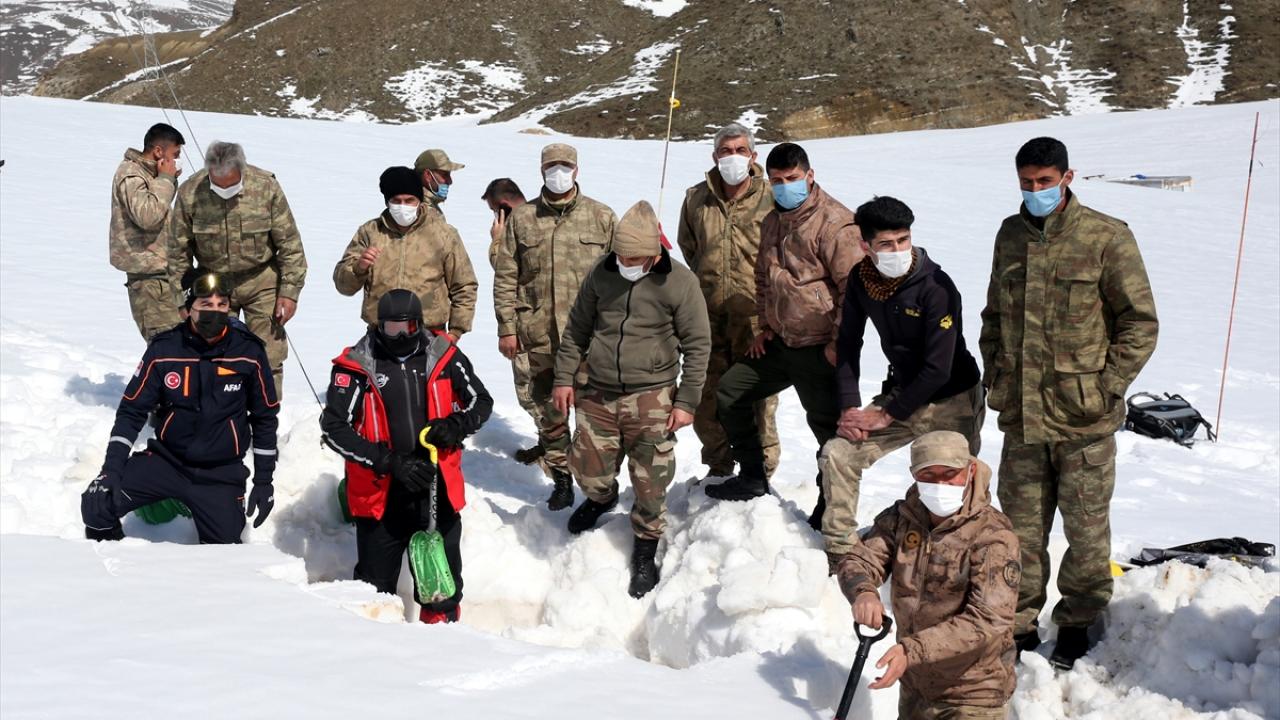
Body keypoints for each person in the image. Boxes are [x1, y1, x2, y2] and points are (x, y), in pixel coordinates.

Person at [980, 136, 1158, 668]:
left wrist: (1107, 386)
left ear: (1067, 176)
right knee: (1020, 531)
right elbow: (994, 316)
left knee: (1085, 529)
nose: (1035, 191)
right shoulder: (1010, 235)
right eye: (1026, 182)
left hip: (1084, 417)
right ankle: (1018, 621)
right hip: (1023, 416)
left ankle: (1079, 619)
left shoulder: (1107, 237)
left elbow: (1139, 323)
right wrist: (997, 376)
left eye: (1044, 181)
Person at [551, 201, 710, 598]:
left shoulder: (680, 283)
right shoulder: (602, 274)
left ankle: (644, 545)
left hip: (652, 394)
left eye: (634, 257)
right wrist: (564, 378)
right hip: (598, 389)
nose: (625, 262)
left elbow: (698, 345)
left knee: (651, 479)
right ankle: (601, 497)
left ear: (655, 253)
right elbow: (576, 331)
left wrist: (686, 401)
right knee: (587, 466)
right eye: (620, 255)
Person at [819, 196, 984, 570]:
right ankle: (841, 551)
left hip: (951, 399)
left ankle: (967, 557)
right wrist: (850, 407)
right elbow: (848, 344)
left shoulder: (937, 287)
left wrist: (886, 414)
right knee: (839, 453)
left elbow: (938, 369)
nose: (897, 251)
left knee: (958, 481)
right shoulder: (863, 280)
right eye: (886, 244)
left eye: (903, 240)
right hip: (901, 392)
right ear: (865, 245)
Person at [704, 142, 862, 528]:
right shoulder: (774, 219)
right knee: (730, 391)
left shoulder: (836, 224)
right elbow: (763, 278)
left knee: (827, 430)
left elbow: (854, 292)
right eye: (777, 181)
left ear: (809, 176)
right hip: (780, 342)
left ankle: (831, 505)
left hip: (819, 347)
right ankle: (753, 475)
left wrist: (838, 344)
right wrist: (765, 326)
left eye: (792, 179)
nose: (785, 187)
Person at [320, 289, 493, 624]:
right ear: (378, 326)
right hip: (380, 490)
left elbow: (480, 401)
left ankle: (441, 632)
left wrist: (456, 425)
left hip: (434, 486)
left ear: (419, 324)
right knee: (373, 588)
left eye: (407, 328)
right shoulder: (357, 366)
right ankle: (380, 652)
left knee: (441, 582)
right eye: (391, 329)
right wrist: (387, 461)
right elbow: (334, 428)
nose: (399, 336)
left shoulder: (443, 355)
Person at [81, 271, 279, 543]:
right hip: (167, 461)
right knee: (97, 504)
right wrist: (111, 469)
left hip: (219, 472)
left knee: (224, 550)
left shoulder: (248, 352)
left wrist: (264, 481)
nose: (216, 312)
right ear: (188, 310)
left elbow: (265, 417)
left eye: (222, 305)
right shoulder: (165, 350)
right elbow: (132, 410)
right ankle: (115, 567)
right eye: (206, 305)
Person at [837, 431, 1019, 720]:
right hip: (916, 684)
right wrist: (864, 591)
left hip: (972, 694)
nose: (940, 484)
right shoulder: (902, 518)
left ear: (970, 470)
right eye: (928, 475)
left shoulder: (993, 536)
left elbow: (989, 618)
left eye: (950, 474)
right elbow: (860, 559)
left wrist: (913, 650)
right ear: (914, 475)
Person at [492, 143, 617, 511]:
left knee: (595, 418)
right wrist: (507, 327)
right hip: (539, 336)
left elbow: (619, 279)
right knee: (550, 415)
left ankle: (599, 488)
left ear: (576, 170)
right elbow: (506, 276)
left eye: (565, 165)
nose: (558, 172)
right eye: (551, 166)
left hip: (589, 341)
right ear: (541, 170)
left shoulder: (602, 217)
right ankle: (561, 479)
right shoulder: (523, 218)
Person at [676, 122, 781, 482]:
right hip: (708, 318)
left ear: (753, 156)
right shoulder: (695, 198)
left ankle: (762, 471)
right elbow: (690, 248)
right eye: (725, 151)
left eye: (740, 150)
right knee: (708, 395)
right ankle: (719, 467)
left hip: (757, 320)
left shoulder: (772, 197)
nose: (732, 157)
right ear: (714, 156)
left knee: (759, 399)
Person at [168, 141, 307, 397]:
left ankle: (265, 417)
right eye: (217, 183)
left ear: (241, 171)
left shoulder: (265, 187)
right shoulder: (190, 192)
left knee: (269, 354)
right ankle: (221, 415)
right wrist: (181, 300)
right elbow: (177, 252)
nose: (224, 189)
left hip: (261, 280)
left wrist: (289, 292)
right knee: (215, 354)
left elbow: (290, 245)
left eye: (230, 184)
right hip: (213, 284)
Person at [333, 166, 477, 339]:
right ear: (387, 201)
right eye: (396, 201)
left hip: (430, 335)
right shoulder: (370, 232)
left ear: (420, 200)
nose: (403, 207)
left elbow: (464, 285)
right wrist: (358, 268)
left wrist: (455, 332)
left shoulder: (443, 234)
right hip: (380, 335)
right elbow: (343, 286)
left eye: (409, 200)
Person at [481, 178, 544, 464]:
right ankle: (551, 447)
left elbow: (507, 271)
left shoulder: (517, 225)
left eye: (495, 210)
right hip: (553, 324)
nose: (495, 217)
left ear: (504, 207)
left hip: (529, 325)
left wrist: (497, 240)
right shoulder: (543, 215)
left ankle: (554, 454)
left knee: (531, 393)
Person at [110, 122, 185, 341]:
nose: (177, 159)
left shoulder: (149, 173)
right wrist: (166, 179)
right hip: (149, 278)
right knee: (166, 347)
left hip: (163, 273)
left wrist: (167, 178)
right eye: (176, 154)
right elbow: (148, 216)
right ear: (159, 151)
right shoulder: (131, 175)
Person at [413, 148, 463, 217]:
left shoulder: (427, 203)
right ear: (428, 175)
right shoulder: (418, 208)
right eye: (445, 175)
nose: (450, 181)